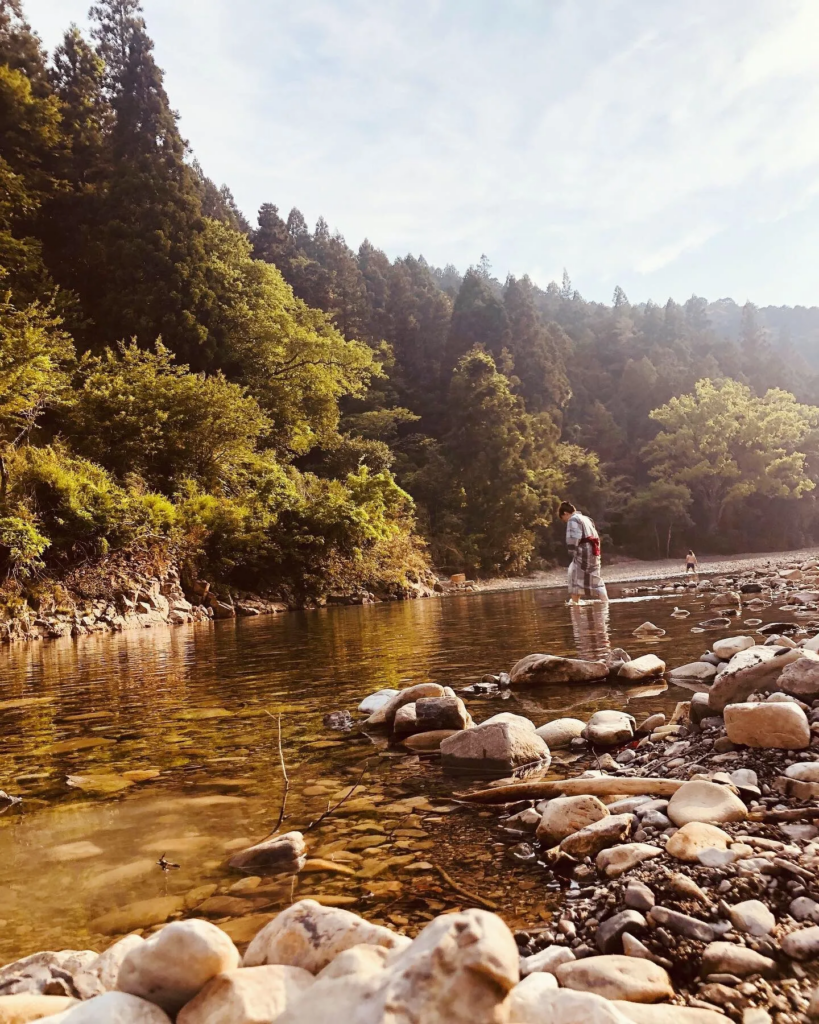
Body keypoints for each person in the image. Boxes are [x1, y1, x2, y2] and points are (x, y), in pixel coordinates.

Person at [558, 501, 608, 604]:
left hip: (584, 552)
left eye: (563, 518)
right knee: (593, 578)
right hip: (593, 551)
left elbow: (573, 538)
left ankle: (575, 605)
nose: (565, 521)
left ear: (565, 513)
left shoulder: (573, 519)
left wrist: (572, 552)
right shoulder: (586, 519)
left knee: (575, 577)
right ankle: (604, 601)